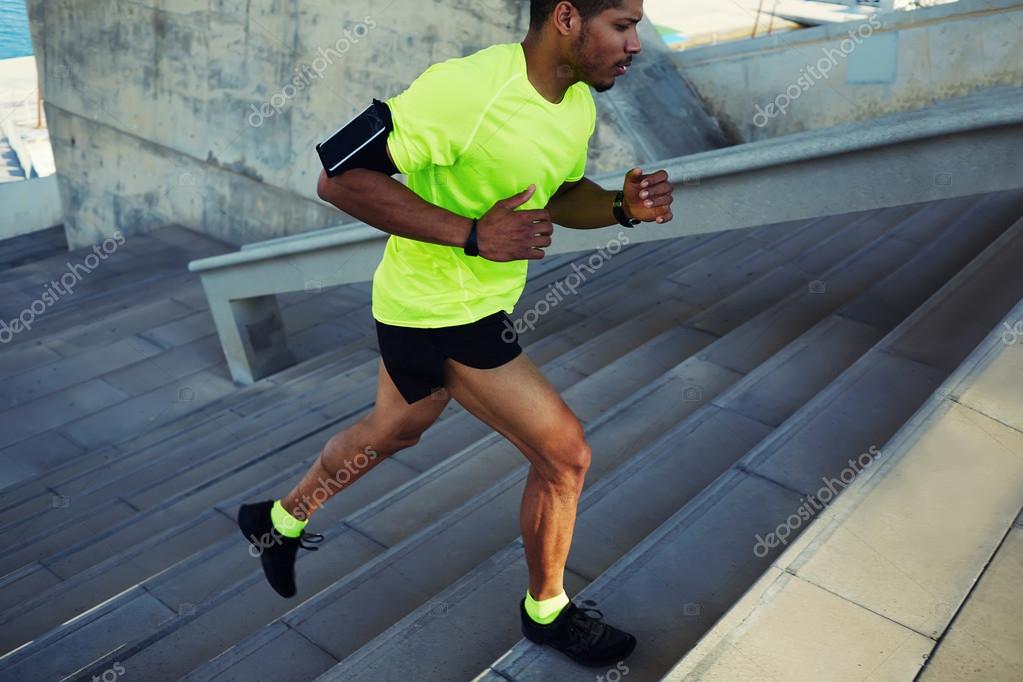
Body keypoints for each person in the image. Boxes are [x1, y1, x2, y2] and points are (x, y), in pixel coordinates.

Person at [238, 0, 673, 668]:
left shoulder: (576, 102)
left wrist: (619, 206)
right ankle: (547, 613)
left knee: (393, 430)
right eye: (623, 25)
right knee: (565, 456)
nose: (635, 44)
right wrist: (471, 234)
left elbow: (557, 192)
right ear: (566, 17)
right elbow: (338, 177)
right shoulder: (466, 89)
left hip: (451, 302)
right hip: (441, 313)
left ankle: (277, 520)